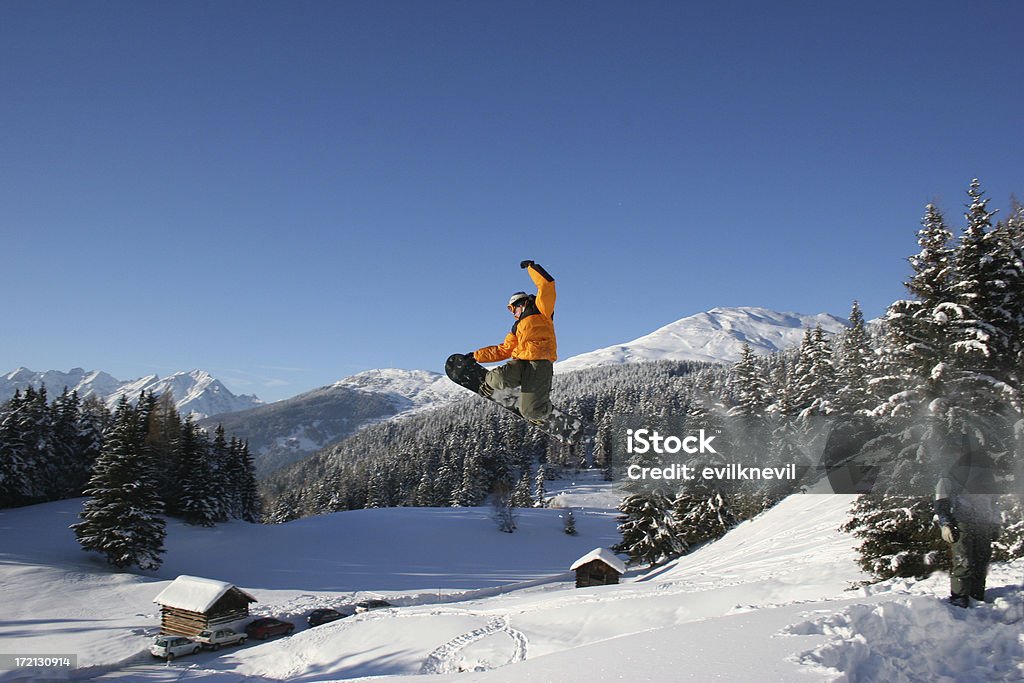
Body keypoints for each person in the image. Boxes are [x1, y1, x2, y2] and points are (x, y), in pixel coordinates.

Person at [470, 260, 557, 424]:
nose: (513, 313)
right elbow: (504, 349)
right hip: (521, 363)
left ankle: (540, 411)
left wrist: (531, 268)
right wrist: (476, 356)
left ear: (522, 303)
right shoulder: (516, 327)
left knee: (529, 411)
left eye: (513, 308)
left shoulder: (541, 310)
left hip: (539, 365)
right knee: (498, 378)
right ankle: (491, 386)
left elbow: (547, 285)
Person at [933, 431, 1002, 608]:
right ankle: (959, 601)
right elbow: (941, 500)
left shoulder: (985, 472)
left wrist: (995, 522)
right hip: (962, 522)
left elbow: (993, 500)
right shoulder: (949, 473)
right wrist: (945, 523)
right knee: (963, 562)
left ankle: (977, 598)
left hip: (983, 522)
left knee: (981, 561)